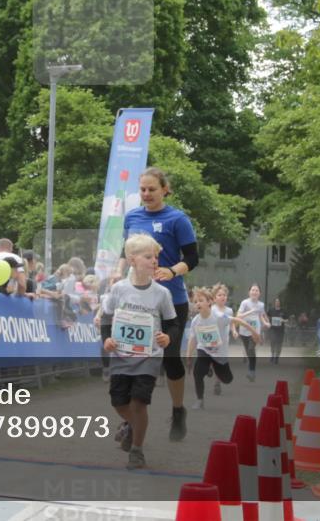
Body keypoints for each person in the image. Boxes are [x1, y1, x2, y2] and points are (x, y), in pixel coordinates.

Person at [115, 167, 198, 441]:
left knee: (170, 360)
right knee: (133, 358)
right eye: (143, 189)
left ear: (165, 189)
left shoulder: (177, 219)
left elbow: (193, 258)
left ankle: (178, 410)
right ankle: (131, 421)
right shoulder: (132, 217)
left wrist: (172, 271)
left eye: (152, 189)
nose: (147, 194)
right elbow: (125, 252)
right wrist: (118, 272)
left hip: (170, 299)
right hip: (136, 299)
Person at [100, 234, 176, 470]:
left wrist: (168, 337)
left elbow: (173, 323)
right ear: (132, 260)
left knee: (139, 402)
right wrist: (107, 339)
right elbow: (106, 317)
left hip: (149, 356)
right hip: (121, 355)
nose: (154, 261)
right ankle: (131, 426)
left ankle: (137, 450)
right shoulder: (118, 289)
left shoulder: (161, 293)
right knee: (119, 402)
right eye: (148, 257)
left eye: (156, 257)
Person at [187, 288, 256, 409]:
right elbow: (192, 339)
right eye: (195, 301)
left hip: (219, 353)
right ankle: (199, 400)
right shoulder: (195, 321)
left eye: (201, 300)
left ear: (209, 302)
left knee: (227, 379)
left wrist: (254, 332)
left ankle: (212, 367)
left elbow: (236, 320)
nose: (198, 303)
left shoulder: (218, 317)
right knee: (197, 372)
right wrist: (188, 356)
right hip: (204, 349)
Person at [237, 283, 271, 381]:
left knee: (251, 349)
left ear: (259, 293)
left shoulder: (261, 305)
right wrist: (250, 311)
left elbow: (261, 315)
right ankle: (251, 366)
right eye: (253, 290)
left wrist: (265, 323)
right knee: (248, 351)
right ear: (249, 292)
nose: (254, 292)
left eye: (256, 290)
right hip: (244, 331)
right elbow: (239, 316)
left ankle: (252, 372)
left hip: (255, 331)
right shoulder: (245, 303)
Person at [210, 284, 233, 396]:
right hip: (212, 338)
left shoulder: (229, 311)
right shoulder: (211, 309)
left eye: (224, 295)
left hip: (223, 339)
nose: (222, 297)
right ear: (214, 298)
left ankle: (217, 382)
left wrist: (234, 331)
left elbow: (231, 323)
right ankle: (209, 367)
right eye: (219, 295)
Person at [267, 297, 286, 364]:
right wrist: (268, 321)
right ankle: (272, 355)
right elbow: (267, 316)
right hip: (273, 329)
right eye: (276, 301)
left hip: (281, 330)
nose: (277, 303)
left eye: (278, 301)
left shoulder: (283, 311)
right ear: (274, 303)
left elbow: (287, 319)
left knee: (279, 344)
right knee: (272, 343)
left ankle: (277, 357)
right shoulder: (271, 310)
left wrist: (283, 320)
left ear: (280, 303)